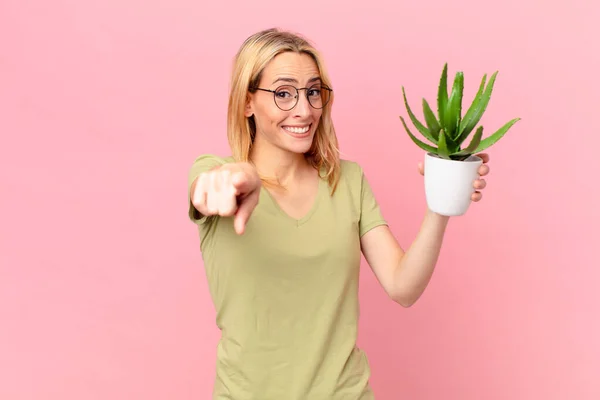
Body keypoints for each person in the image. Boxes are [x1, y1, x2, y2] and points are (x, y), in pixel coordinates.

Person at [187, 28, 490, 400]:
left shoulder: (347, 181)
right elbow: (215, 186)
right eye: (283, 93)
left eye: (313, 91)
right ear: (247, 102)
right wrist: (242, 176)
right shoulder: (215, 174)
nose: (305, 109)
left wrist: (441, 201)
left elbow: (403, 287)